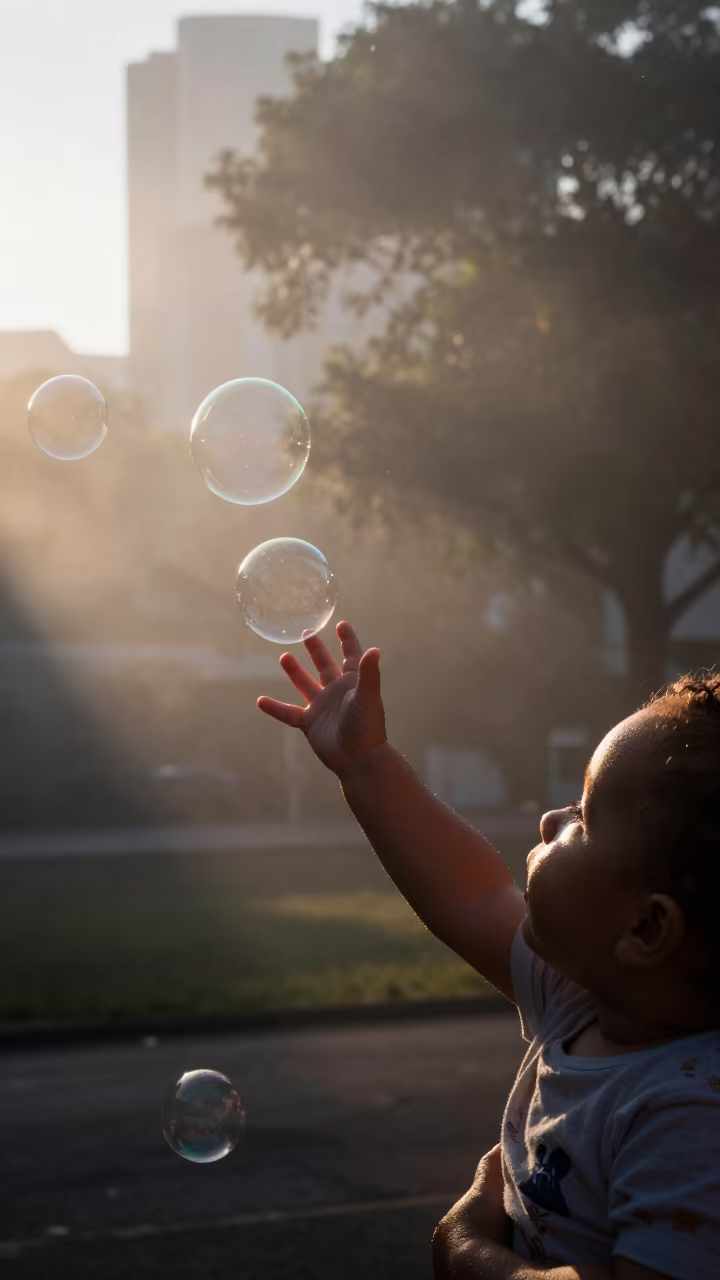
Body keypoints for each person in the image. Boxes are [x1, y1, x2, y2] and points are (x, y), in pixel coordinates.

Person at [258, 621, 720, 1280]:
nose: (550, 821)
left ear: (643, 931)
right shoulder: (588, 1002)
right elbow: (470, 897)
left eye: (583, 819)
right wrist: (366, 764)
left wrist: (469, 1251)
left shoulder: (692, 1117)